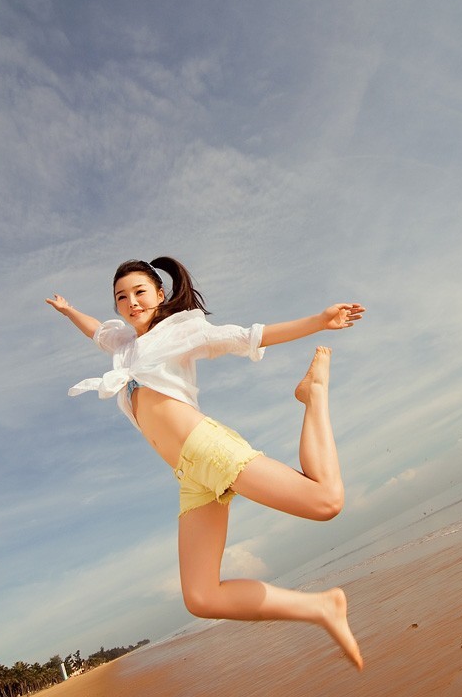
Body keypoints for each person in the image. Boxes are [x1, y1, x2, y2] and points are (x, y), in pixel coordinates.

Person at [46, 256, 365, 669]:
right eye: (121, 297)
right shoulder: (123, 348)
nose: (131, 302)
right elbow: (98, 331)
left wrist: (318, 321)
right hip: (189, 475)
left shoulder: (181, 331)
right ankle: (322, 607)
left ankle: (314, 392)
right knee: (201, 597)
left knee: (326, 502)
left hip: (208, 448)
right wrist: (70, 310)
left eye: (140, 292)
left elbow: (246, 336)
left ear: (160, 295)